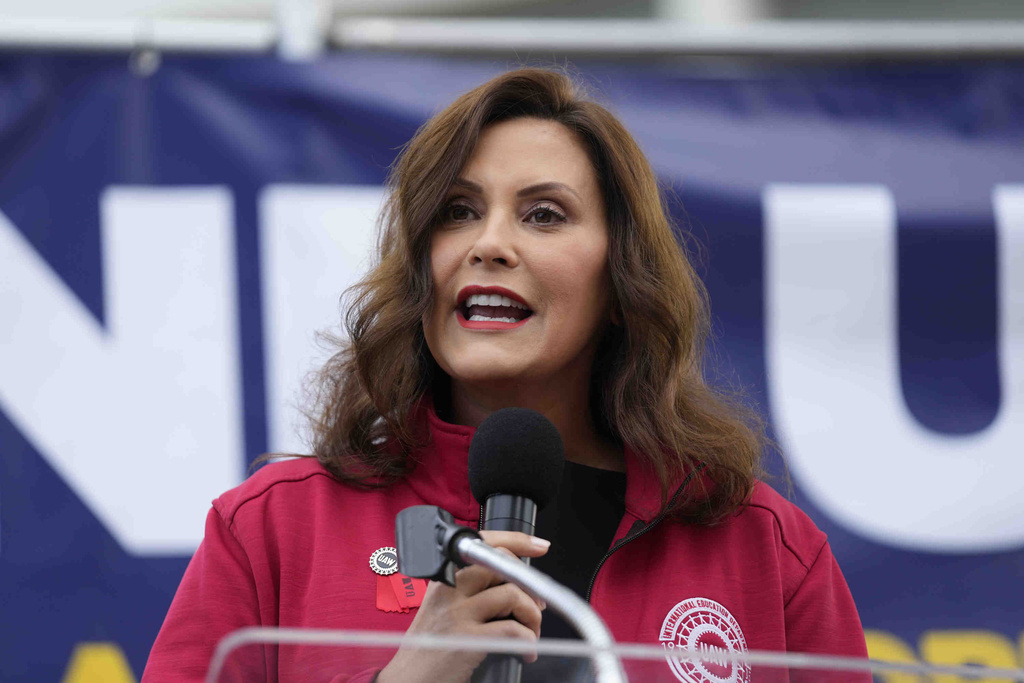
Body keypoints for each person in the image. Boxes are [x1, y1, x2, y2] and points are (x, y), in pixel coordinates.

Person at [143, 67, 868, 682]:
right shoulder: (272, 529)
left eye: (544, 215)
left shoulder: (765, 551)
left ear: (621, 283)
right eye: (458, 212)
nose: (489, 244)